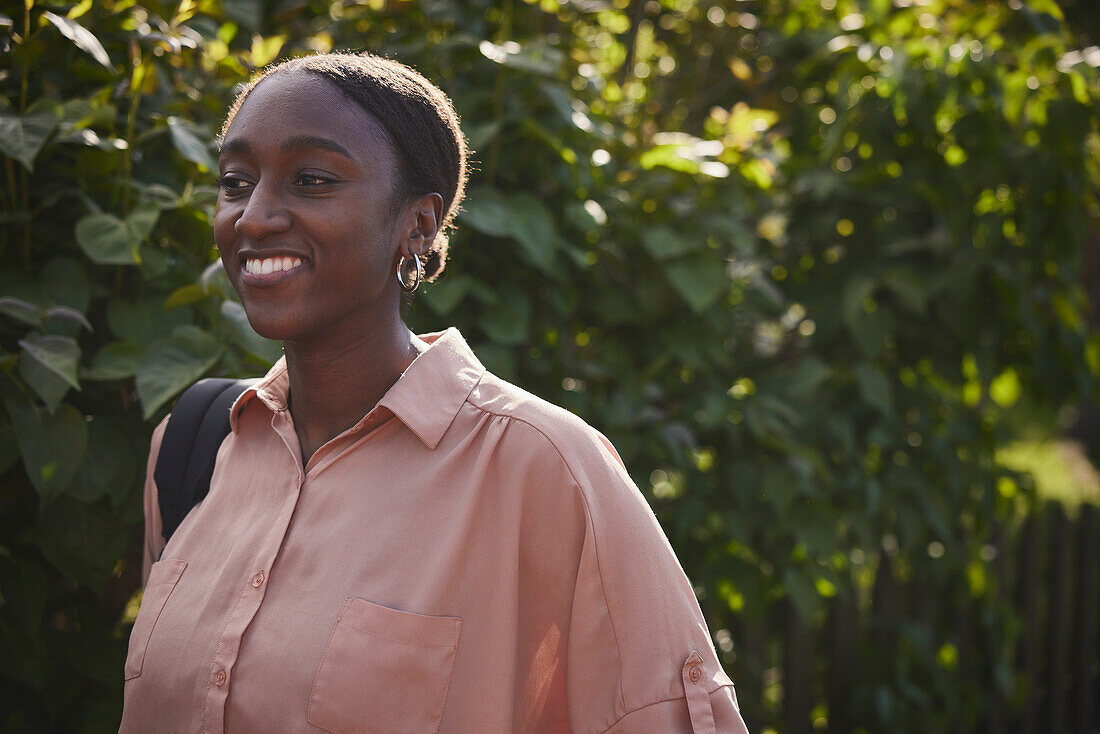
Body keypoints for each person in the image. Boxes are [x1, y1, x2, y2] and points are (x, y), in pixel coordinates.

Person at [120, 51, 751, 734]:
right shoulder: (194, 446)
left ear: (418, 225)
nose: (254, 216)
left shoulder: (546, 471)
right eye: (236, 181)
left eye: (311, 179)